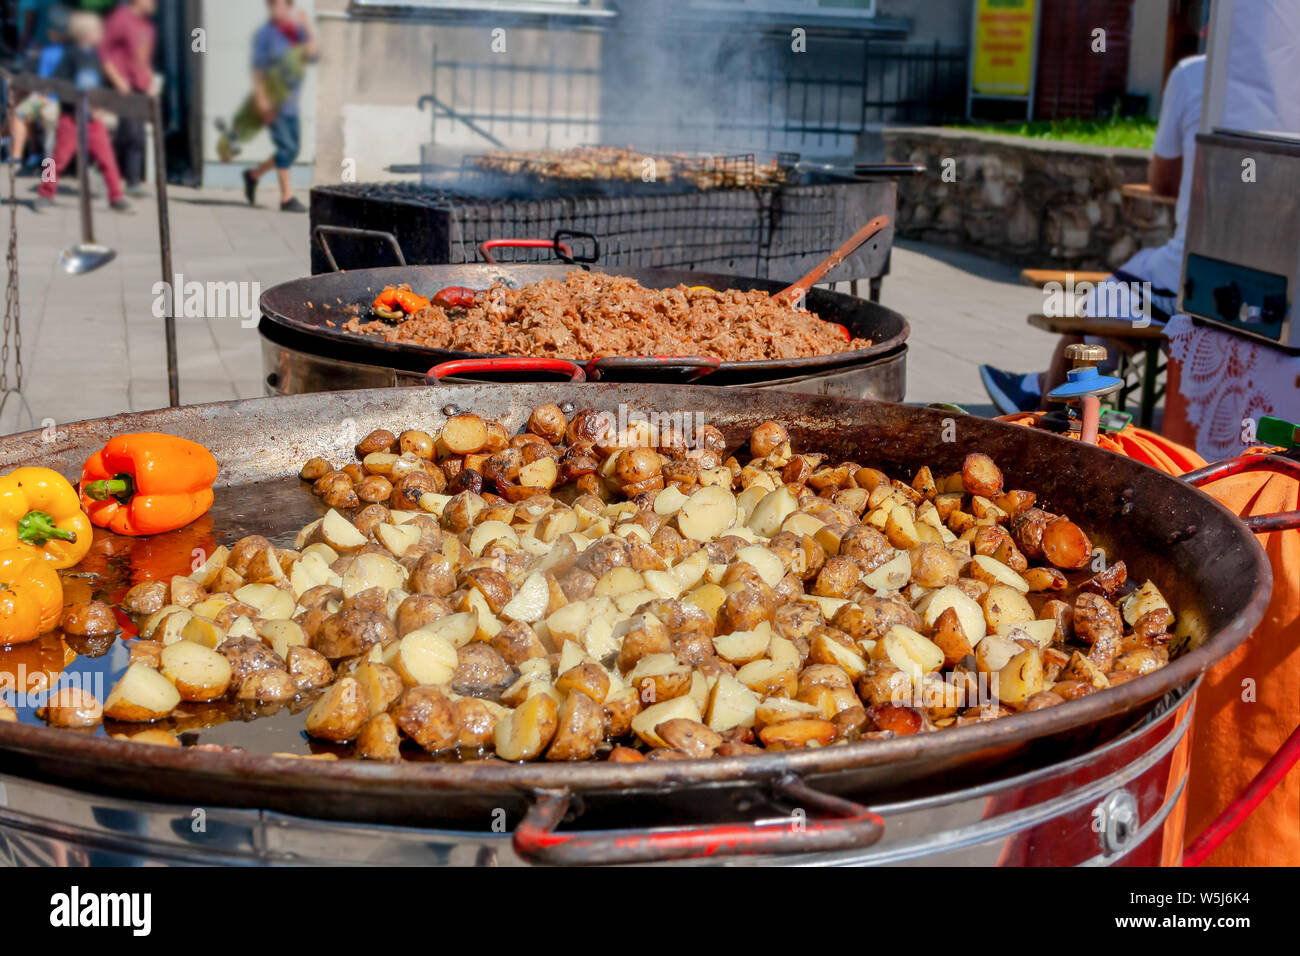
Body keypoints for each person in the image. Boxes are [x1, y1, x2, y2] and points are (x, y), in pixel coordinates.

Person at [979, 53, 1206, 414]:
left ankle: (1046, 413)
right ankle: (1039, 390)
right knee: (1122, 297)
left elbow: (1163, 181)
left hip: (1197, 281)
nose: (1207, 24)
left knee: (1104, 301)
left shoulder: (1196, 74)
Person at [34, 9, 132, 213]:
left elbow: (100, 86)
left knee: (107, 158)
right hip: (72, 117)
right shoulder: (70, 56)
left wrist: (101, 105)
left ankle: (117, 196)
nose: (101, 34)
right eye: (98, 30)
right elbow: (59, 84)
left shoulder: (96, 57)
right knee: (57, 158)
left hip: (94, 119)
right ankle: (45, 193)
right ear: (86, 33)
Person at [242, 0, 318, 213]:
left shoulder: (296, 31)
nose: (277, 9)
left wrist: (307, 25)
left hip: (292, 103)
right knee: (286, 149)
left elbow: (312, 53)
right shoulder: (265, 34)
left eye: (281, 5)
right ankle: (287, 198)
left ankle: (253, 175)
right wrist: (262, 101)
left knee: (293, 151)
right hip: (274, 102)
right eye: (273, 5)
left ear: (288, 7)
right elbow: (257, 70)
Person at [99, 0, 156, 199]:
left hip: (140, 87)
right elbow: (103, 51)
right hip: (122, 87)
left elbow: (143, 56)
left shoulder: (145, 24)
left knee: (132, 133)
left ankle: (118, 178)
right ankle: (127, 181)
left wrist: (149, 79)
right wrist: (117, 80)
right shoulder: (120, 19)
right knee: (132, 133)